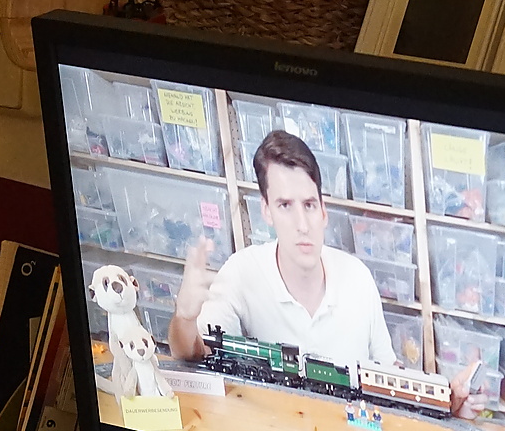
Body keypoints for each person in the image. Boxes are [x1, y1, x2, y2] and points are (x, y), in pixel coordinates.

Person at [168, 129, 395, 377]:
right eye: (285, 205)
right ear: (267, 211)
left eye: (309, 205)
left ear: (323, 211)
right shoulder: (241, 272)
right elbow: (193, 354)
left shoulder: (358, 278)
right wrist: (184, 318)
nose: (302, 225)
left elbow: (389, 371)